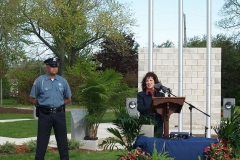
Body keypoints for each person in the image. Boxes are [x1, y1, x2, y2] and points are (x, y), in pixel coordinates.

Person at [30, 57, 72, 160]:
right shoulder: (40, 81)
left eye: (56, 66)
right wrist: (41, 106)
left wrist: (59, 104)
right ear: (47, 67)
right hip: (45, 115)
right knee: (42, 141)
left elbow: (68, 98)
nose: (54, 68)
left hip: (59, 114)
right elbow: (32, 98)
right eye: (52, 66)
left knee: (62, 141)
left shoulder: (63, 81)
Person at [137, 72, 165, 138]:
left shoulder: (161, 95)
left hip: (158, 122)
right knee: (146, 143)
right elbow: (140, 108)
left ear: (155, 82)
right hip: (146, 121)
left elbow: (162, 108)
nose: (148, 82)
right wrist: (152, 107)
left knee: (158, 143)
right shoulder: (141, 94)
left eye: (151, 80)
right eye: (147, 81)